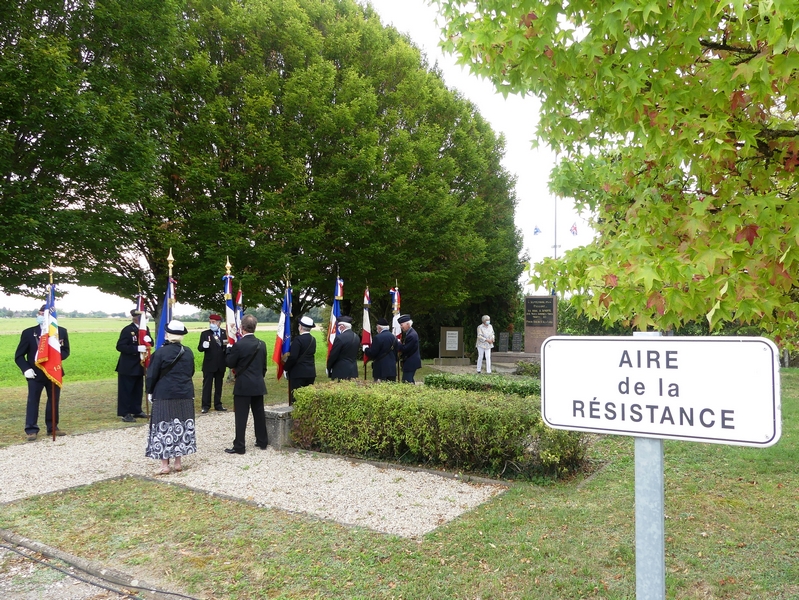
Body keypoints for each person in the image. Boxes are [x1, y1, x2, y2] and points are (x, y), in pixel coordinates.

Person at [145, 320, 196, 475]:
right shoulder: (188, 352)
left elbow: (151, 375)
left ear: (168, 334)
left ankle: (164, 465)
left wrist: (149, 391)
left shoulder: (160, 353)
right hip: (185, 393)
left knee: (164, 428)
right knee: (180, 426)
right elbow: (191, 372)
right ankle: (178, 462)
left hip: (164, 394)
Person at [15, 305, 70, 441]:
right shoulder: (29, 333)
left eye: (43, 314)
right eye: (40, 313)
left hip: (54, 372)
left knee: (53, 401)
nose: (40, 316)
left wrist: (55, 358)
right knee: (33, 401)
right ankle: (31, 429)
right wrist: (26, 369)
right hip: (35, 373)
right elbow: (19, 355)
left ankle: (52, 427)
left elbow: (66, 351)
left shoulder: (61, 331)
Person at [224, 314, 268, 454]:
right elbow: (264, 367)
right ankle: (262, 441)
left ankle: (240, 446)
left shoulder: (239, 345)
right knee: (259, 414)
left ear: (242, 328)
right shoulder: (262, 344)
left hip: (243, 384)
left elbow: (230, 362)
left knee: (241, 416)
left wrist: (229, 348)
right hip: (258, 383)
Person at [115, 308, 152, 422]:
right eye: (143, 317)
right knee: (126, 391)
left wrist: (149, 341)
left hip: (140, 364)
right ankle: (125, 413)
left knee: (137, 389)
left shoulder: (145, 329)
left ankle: (136, 410)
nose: (146, 319)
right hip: (128, 366)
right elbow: (120, 346)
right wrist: (136, 348)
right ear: (136, 318)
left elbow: (150, 343)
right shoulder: (127, 330)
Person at [197, 313, 228, 413]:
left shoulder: (224, 333)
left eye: (213, 322)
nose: (211, 324)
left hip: (220, 364)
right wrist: (203, 346)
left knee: (218, 386)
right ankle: (205, 405)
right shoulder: (205, 334)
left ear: (219, 323)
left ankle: (218, 404)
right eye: (210, 322)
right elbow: (200, 348)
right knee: (207, 386)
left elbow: (226, 347)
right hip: (209, 364)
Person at [282, 315, 317, 404]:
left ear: (301, 327)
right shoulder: (313, 339)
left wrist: (286, 368)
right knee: (308, 398)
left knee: (297, 399)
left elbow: (293, 357)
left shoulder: (298, 340)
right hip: (310, 372)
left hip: (298, 373)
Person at [364, 318, 397, 382]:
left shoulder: (378, 337)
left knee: (380, 387)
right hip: (392, 369)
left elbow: (373, 353)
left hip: (381, 369)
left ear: (379, 327)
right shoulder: (394, 337)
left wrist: (366, 349)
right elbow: (396, 352)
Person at [326, 315, 359, 380]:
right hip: (353, 370)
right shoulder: (356, 337)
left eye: (338, 326)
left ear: (342, 326)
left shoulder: (340, 338)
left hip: (341, 370)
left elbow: (333, 355)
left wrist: (329, 367)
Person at [397, 314, 421, 384]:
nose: (401, 327)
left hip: (411, 361)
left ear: (408, 324)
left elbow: (405, 349)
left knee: (406, 381)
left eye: (402, 325)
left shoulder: (411, 335)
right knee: (409, 381)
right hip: (410, 361)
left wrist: (398, 343)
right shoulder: (410, 333)